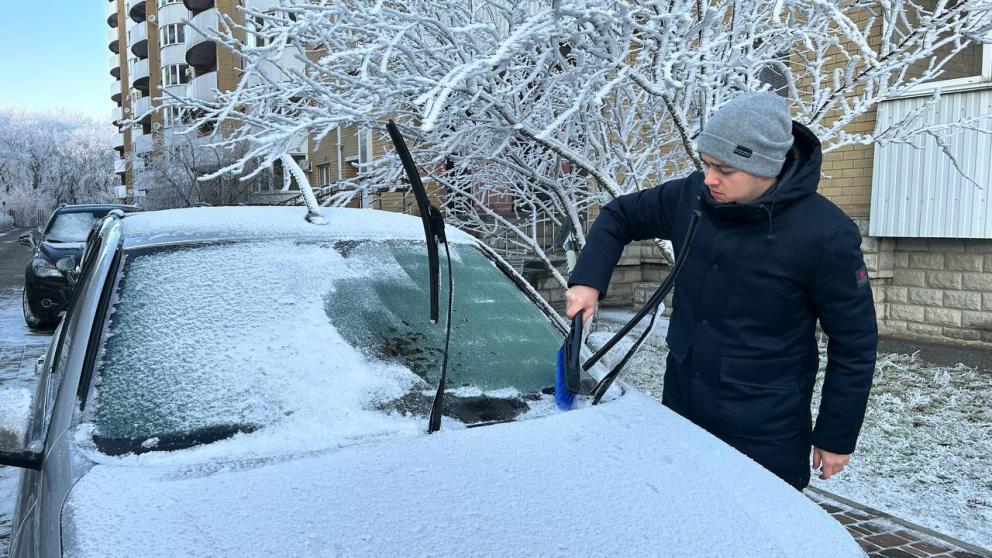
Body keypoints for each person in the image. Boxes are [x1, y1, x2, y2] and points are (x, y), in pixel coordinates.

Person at [566, 91, 878, 490]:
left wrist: (836, 436)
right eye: (706, 163)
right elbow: (618, 216)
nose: (709, 178)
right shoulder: (692, 197)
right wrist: (588, 280)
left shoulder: (825, 234)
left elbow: (855, 342)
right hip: (682, 404)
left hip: (765, 426)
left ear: (768, 167)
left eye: (725, 170)